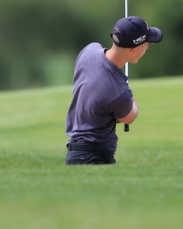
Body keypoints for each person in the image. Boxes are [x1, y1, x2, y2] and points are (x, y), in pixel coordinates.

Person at [65, 16, 163, 165]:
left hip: (75, 154)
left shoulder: (88, 51)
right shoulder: (119, 93)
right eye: (147, 43)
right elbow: (129, 116)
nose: (148, 47)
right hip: (95, 158)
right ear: (134, 51)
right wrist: (131, 98)